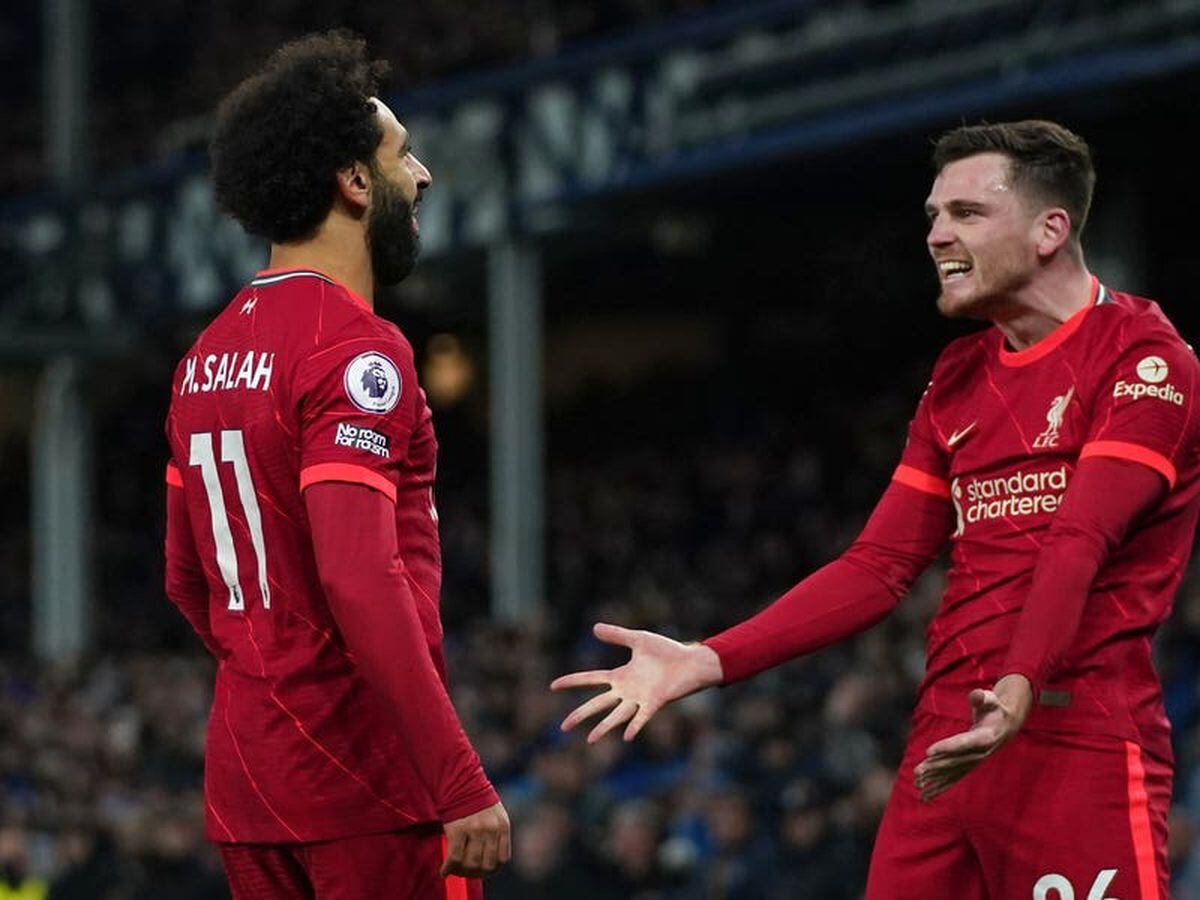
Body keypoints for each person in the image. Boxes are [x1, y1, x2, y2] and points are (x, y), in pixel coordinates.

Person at [552, 119, 1200, 898]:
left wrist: (1019, 687)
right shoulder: (959, 376)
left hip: (1074, 735)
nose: (936, 235)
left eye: (965, 213)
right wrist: (709, 657)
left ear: (1049, 230)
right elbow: (879, 566)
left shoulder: (1144, 357)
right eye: (932, 214)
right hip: (946, 748)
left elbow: (1081, 537)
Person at [163, 31, 509, 898]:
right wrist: (456, 779)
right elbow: (360, 578)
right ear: (354, 182)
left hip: (250, 780)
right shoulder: (358, 352)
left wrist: (273, 665)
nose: (422, 174)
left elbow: (185, 581)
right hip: (368, 783)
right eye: (402, 155)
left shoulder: (202, 361)